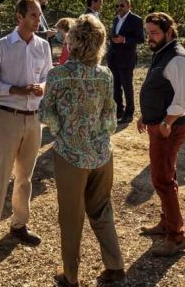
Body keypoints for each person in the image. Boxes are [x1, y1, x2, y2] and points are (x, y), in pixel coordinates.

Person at [39, 15, 127, 287]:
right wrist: (97, 137)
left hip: (70, 156)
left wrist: (62, 132)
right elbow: (110, 117)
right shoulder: (105, 75)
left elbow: (46, 113)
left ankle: (71, 276)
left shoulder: (58, 74)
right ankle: (115, 267)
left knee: (71, 216)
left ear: (73, 40)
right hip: (102, 155)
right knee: (102, 210)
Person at [0, 0, 52, 258]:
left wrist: (41, 87)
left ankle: (19, 224)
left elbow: (48, 76)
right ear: (19, 17)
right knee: (0, 176)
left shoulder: (43, 46)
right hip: (8, 117)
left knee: (25, 176)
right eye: (33, 15)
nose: (38, 20)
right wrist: (14, 89)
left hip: (34, 118)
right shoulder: (1, 46)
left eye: (39, 15)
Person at [137, 12, 185, 257]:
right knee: (166, 175)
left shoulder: (176, 58)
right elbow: (158, 89)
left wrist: (167, 121)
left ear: (169, 32)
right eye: (148, 33)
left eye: (155, 33)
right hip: (159, 124)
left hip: (169, 128)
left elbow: (183, 97)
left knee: (162, 180)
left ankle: (176, 236)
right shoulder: (163, 53)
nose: (150, 37)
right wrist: (146, 115)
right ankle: (167, 223)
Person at [107, 0, 144, 124]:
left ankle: (129, 113)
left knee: (127, 86)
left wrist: (124, 39)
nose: (119, 8)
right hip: (113, 58)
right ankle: (118, 111)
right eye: (117, 6)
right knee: (115, 86)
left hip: (127, 59)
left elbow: (140, 39)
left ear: (129, 6)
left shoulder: (136, 19)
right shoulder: (115, 19)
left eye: (122, 5)